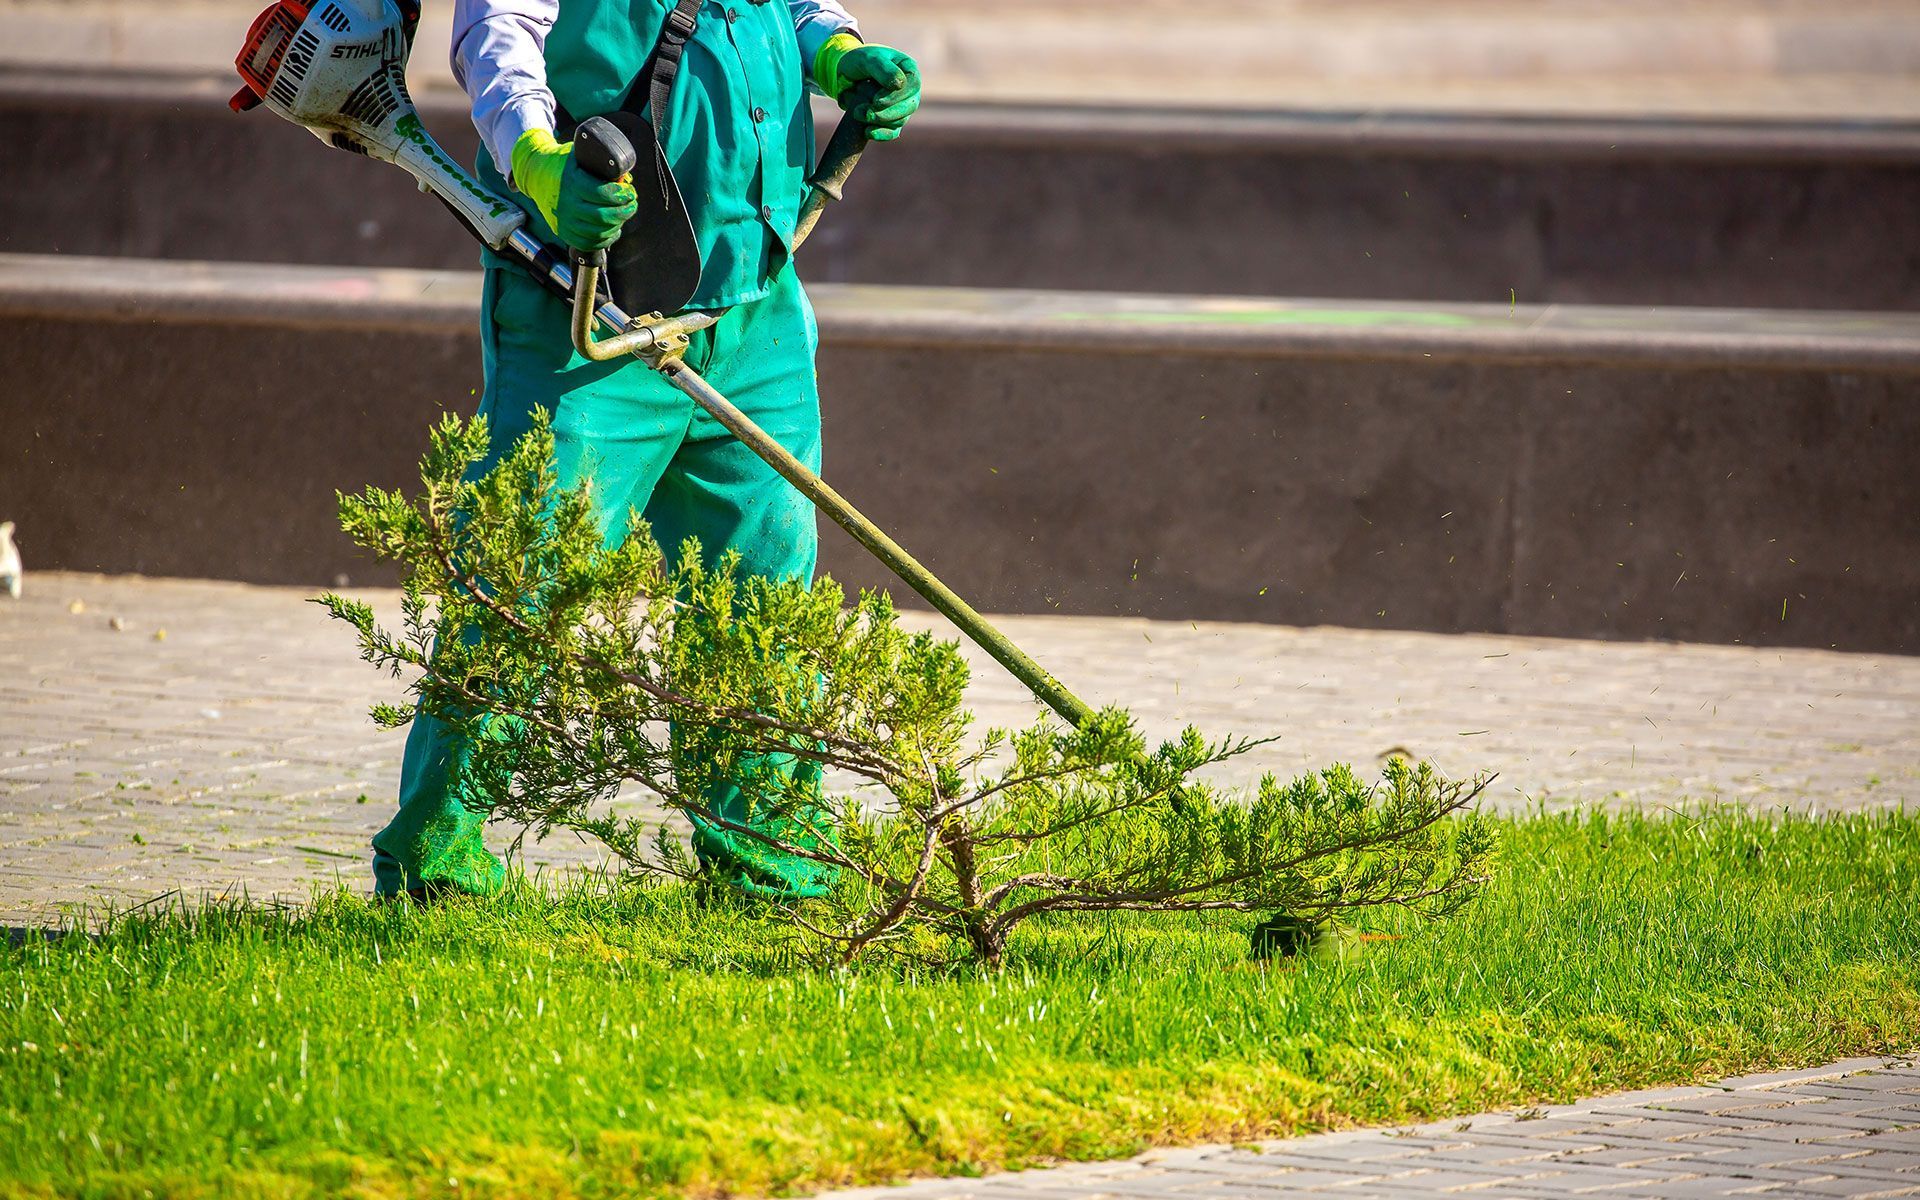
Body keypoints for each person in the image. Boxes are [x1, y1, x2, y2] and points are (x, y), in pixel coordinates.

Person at [371, 0, 921, 903]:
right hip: (589, 313)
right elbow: (496, 35)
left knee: (764, 585)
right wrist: (541, 164)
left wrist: (840, 55)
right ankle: (437, 862)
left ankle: (767, 862)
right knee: (527, 575)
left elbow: (796, 10)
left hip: (754, 310)